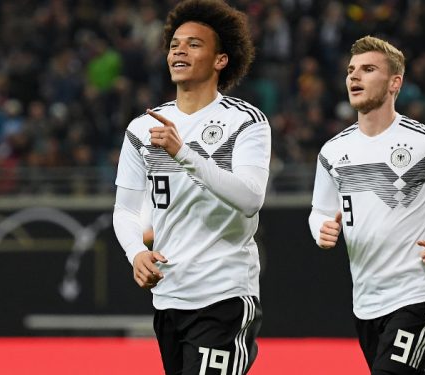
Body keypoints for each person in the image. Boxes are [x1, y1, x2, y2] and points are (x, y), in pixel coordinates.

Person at [308, 36, 425, 375]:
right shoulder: (332, 151)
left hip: (418, 295)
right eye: (351, 70)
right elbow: (319, 211)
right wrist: (321, 229)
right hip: (365, 303)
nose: (354, 77)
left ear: (395, 83)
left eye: (368, 69)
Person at [112, 1, 270, 373]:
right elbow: (126, 209)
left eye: (194, 44)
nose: (179, 50)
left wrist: (182, 152)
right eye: (174, 44)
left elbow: (250, 198)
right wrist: (136, 252)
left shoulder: (245, 122)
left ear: (220, 60)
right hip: (168, 297)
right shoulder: (140, 129)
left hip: (224, 295)